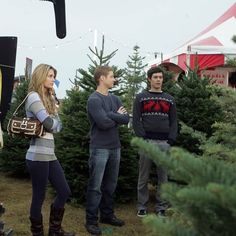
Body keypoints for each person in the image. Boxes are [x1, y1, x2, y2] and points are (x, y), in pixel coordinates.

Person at [25, 64, 75, 236]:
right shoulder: (33, 97)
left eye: (54, 76)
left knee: (64, 191)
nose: (53, 79)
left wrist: (53, 107)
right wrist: (54, 122)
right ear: (41, 76)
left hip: (49, 154)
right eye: (50, 76)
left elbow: (57, 125)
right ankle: (37, 233)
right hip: (37, 155)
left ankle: (55, 230)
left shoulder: (48, 98)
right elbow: (49, 124)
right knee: (39, 197)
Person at [85, 66, 129, 235]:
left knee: (110, 185)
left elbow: (125, 118)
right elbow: (102, 124)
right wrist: (114, 115)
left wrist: (110, 115)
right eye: (111, 76)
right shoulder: (94, 100)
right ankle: (91, 221)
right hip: (99, 148)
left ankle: (107, 215)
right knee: (95, 187)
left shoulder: (115, 98)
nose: (114, 79)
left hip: (115, 147)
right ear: (101, 78)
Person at [133, 66, 178, 217]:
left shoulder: (169, 99)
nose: (158, 80)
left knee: (163, 177)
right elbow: (136, 120)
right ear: (149, 79)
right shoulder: (140, 97)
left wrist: (171, 140)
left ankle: (161, 208)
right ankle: (142, 206)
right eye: (155, 77)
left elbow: (174, 121)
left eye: (160, 77)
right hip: (147, 143)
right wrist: (142, 138)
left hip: (164, 143)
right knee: (143, 177)